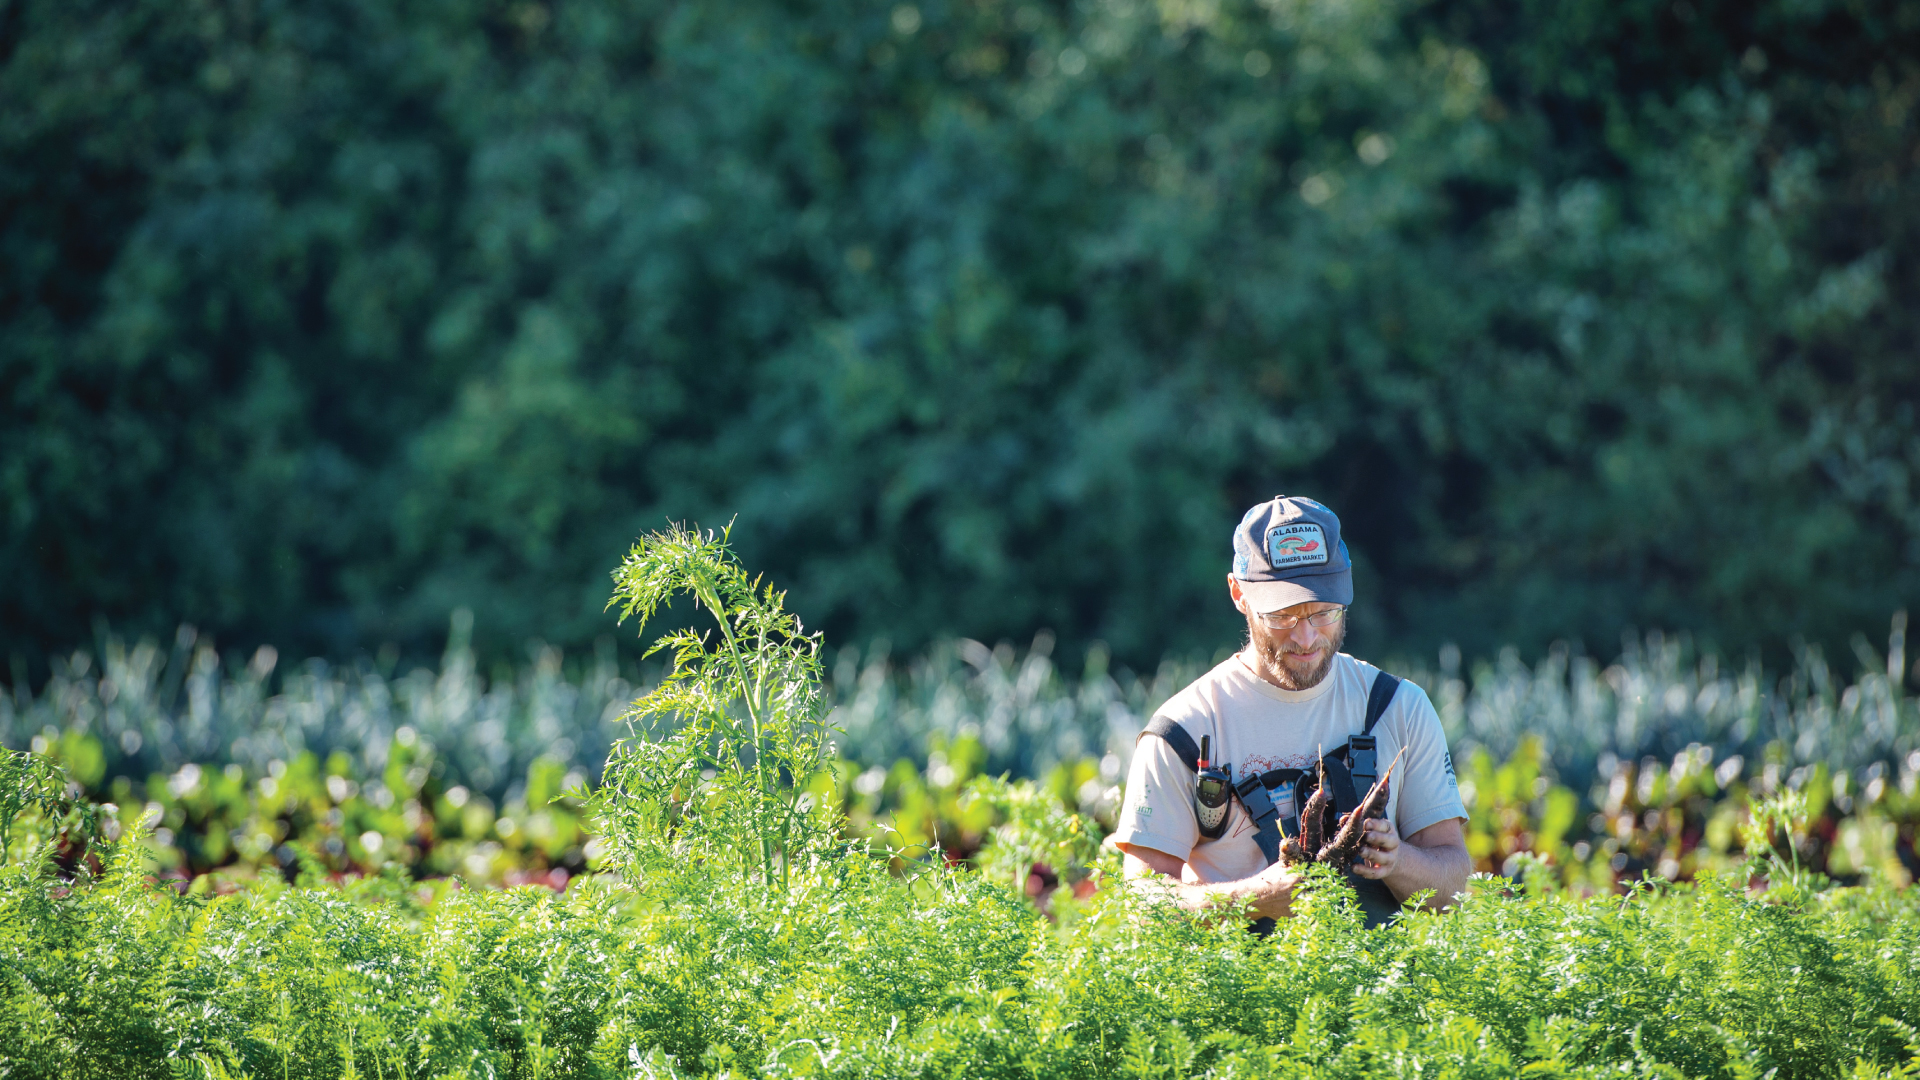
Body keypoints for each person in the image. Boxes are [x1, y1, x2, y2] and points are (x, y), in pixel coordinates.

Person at [1110, 495, 1471, 925]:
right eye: (1282, 616)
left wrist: (1399, 861)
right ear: (1239, 594)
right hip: (1238, 990)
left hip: (1379, 991)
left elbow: (1456, 887)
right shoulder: (1185, 731)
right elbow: (1141, 903)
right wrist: (1256, 897)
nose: (1305, 638)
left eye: (1323, 613)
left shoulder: (1398, 708)